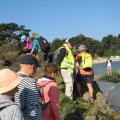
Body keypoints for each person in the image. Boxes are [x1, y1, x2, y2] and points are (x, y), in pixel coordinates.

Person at [14, 55, 41, 120]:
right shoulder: (30, 81)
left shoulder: (13, 77)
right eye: (36, 68)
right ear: (33, 66)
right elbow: (32, 107)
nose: (36, 71)